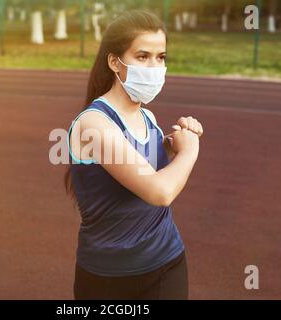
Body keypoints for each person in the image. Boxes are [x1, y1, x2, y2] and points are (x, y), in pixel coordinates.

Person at [64, 9, 203, 300]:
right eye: (142, 56)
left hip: (167, 264)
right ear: (115, 62)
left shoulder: (148, 118)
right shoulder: (94, 123)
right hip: (108, 279)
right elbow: (159, 192)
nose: (154, 67)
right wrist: (190, 149)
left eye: (161, 57)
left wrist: (170, 146)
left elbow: (138, 165)